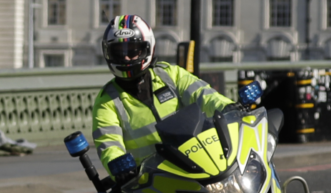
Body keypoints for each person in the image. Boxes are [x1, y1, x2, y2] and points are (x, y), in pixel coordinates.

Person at [92, 15, 234, 177]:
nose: (125, 57)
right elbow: (109, 144)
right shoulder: (107, 101)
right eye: (118, 52)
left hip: (196, 163)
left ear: (148, 49)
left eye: (132, 51)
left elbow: (205, 96)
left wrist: (228, 107)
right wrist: (118, 164)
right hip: (149, 180)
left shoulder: (170, 75)